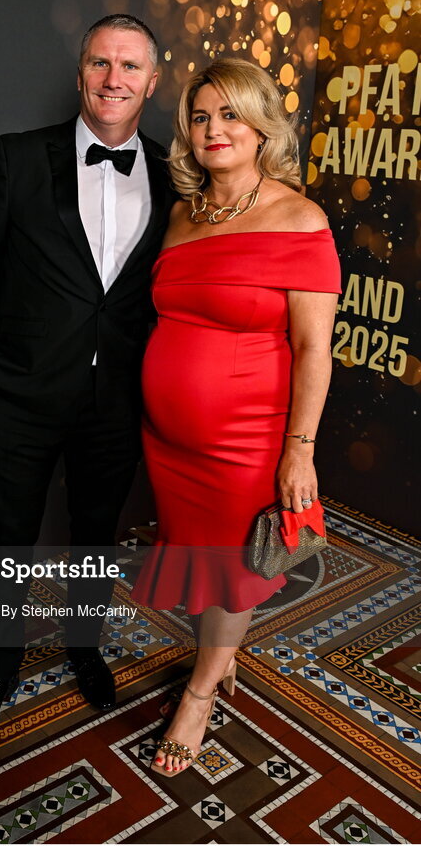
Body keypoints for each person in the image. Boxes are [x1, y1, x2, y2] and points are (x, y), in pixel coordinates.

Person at [0, 14, 175, 745]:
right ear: (81, 73)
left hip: (115, 396)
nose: (114, 80)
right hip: (18, 395)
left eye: (130, 67)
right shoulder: (17, 157)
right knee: (7, 538)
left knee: (94, 535)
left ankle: (83, 647)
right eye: (101, 64)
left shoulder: (175, 176)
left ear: (152, 78)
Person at [131, 58, 340, 776]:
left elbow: (315, 349)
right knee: (203, 563)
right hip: (168, 440)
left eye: (229, 114)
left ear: (260, 127)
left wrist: (299, 451)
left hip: (246, 439)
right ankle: (218, 659)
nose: (213, 129)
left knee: (233, 570)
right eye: (199, 116)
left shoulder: (297, 218)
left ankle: (198, 693)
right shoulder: (184, 215)